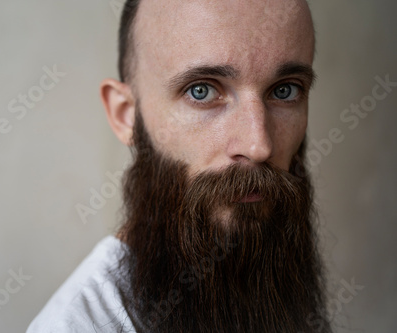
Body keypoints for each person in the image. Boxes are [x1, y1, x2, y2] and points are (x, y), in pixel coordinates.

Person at [27, 0, 332, 332]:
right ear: (126, 114)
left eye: (284, 91)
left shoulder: (277, 287)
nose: (259, 146)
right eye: (201, 91)